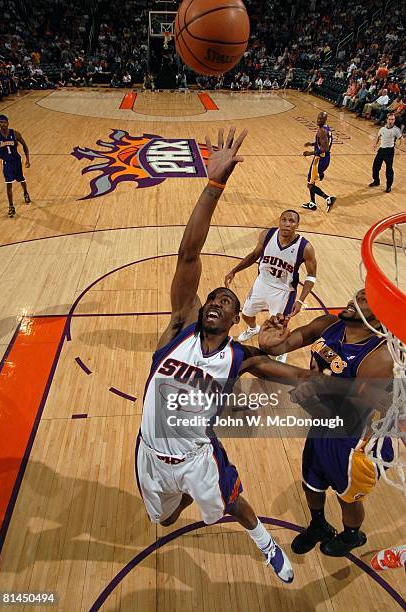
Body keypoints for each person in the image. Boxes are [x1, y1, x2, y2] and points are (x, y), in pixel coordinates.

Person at [136, 128, 315, 584]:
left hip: (198, 455)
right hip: (151, 452)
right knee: (166, 521)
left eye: (227, 302)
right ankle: (181, 497)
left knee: (235, 502)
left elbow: (292, 376)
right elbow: (188, 253)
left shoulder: (241, 356)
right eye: (212, 299)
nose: (216, 302)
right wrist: (213, 186)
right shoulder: (179, 324)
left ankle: (266, 545)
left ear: (236, 319)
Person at [259, 290, 394, 556]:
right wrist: (268, 343)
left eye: (366, 298)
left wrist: (311, 400)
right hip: (322, 423)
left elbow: (348, 415)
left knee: (347, 497)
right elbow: (283, 345)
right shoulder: (328, 325)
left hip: (354, 441)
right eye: (357, 294)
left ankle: (352, 535)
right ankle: (319, 524)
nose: (355, 298)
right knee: (311, 482)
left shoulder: (379, 358)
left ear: (380, 317)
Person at [224, 210, 317, 351]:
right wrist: (234, 270)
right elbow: (254, 255)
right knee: (246, 315)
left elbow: (311, 275)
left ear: (297, 225)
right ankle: (253, 329)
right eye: (284, 220)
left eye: (291, 221)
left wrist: (300, 300)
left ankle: (281, 349)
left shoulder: (305, 247)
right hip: (261, 283)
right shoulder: (267, 235)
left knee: (279, 327)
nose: (287, 224)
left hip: (283, 291)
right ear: (279, 221)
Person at [0, 115, 31, 218]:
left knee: (21, 180)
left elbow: (25, 145)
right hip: (6, 162)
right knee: (8, 184)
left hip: (16, 161)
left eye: (4, 122)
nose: (3, 124)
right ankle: (11, 206)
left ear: (8, 122)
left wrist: (28, 159)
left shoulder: (15, 133)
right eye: (1, 122)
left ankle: (26, 193)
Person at [302, 112, 336, 212]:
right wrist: (312, 144)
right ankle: (312, 203)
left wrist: (310, 153)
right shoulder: (327, 128)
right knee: (311, 181)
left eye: (321, 119)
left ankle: (328, 198)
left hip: (320, 159)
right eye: (318, 118)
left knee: (310, 184)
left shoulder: (322, 131)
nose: (318, 120)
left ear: (325, 120)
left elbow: (324, 149)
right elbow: (323, 143)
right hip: (323, 158)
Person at [369, 113, 402, 193]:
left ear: (394, 120)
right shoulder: (382, 129)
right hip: (381, 150)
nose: (391, 121)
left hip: (389, 151)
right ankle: (376, 181)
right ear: (387, 120)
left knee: (389, 169)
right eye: (390, 119)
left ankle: (388, 186)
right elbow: (378, 136)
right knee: (375, 167)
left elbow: (401, 139)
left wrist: (398, 148)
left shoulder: (396, 130)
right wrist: (374, 145)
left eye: (393, 119)